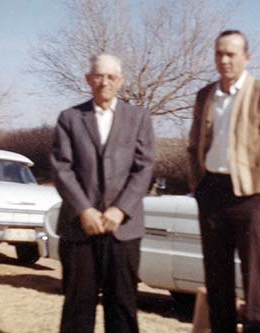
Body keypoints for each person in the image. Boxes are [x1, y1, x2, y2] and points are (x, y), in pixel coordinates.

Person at [188, 30, 260, 333]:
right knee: (216, 277)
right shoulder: (205, 95)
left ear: (246, 58)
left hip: (250, 196)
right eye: (219, 53)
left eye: (231, 54)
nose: (224, 60)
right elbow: (192, 145)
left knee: (254, 280)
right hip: (211, 193)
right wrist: (198, 186)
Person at [51, 53, 155, 333]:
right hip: (79, 228)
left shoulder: (139, 118)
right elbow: (62, 169)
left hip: (123, 229)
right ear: (88, 79)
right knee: (77, 307)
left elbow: (144, 168)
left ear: (120, 81)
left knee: (122, 306)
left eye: (111, 76)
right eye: (98, 76)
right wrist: (84, 209)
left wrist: (120, 209)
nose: (104, 82)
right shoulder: (70, 118)